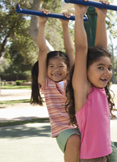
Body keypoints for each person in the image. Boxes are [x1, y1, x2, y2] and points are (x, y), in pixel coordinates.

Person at [65, 1, 117, 161]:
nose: (107, 72)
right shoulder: (83, 90)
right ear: (85, 69)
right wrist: (79, 15)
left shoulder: (100, 88)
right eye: (101, 67)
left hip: (104, 156)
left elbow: (102, 50)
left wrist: (102, 17)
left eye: (109, 68)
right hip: (90, 158)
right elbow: (82, 48)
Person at [30, 10, 80, 162]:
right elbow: (42, 50)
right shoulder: (45, 83)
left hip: (81, 126)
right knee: (74, 140)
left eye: (60, 66)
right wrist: (41, 23)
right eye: (51, 66)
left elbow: (70, 50)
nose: (55, 69)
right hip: (63, 130)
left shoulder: (71, 80)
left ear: (68, 68)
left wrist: (65, 25)